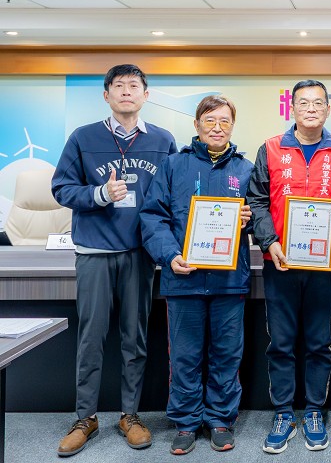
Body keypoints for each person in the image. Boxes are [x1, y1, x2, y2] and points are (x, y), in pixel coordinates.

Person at [51, 64, 177, 457]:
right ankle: (85, 418)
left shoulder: (163, 140)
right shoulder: (83, 137)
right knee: (90, 337)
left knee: (134, 338)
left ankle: (130, 415)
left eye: (133, 86)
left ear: (146, 95)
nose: (126, 91)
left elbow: (173, 195)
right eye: (118, 86)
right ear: (106, 95)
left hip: (140, 254)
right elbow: (61, 188)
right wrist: (99, 194)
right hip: (95, 253)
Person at [140, 95, 253, 455]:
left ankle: (220, 419)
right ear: (196, 125)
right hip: (183, 278)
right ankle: (187, 422)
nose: (217, 127)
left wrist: (250, 220)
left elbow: (264, 214)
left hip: (228, 281)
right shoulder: (174, 165)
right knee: (185, 356)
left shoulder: (246, 169)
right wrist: (170, 255)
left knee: (226, 355)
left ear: (232, 126)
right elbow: (153, 216)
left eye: (224, 121)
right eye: (210, 120)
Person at [247, 80, 331, 454]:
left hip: (325, 261)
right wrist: (269, 242)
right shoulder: (271, 148)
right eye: (303, 103)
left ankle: (313, 411)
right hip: (281, 260)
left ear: (327, 109)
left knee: (319, 341)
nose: (311, 108)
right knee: (281, 341)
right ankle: (282, 413)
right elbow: (257, 201)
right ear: (291, 109)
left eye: (318, 103)